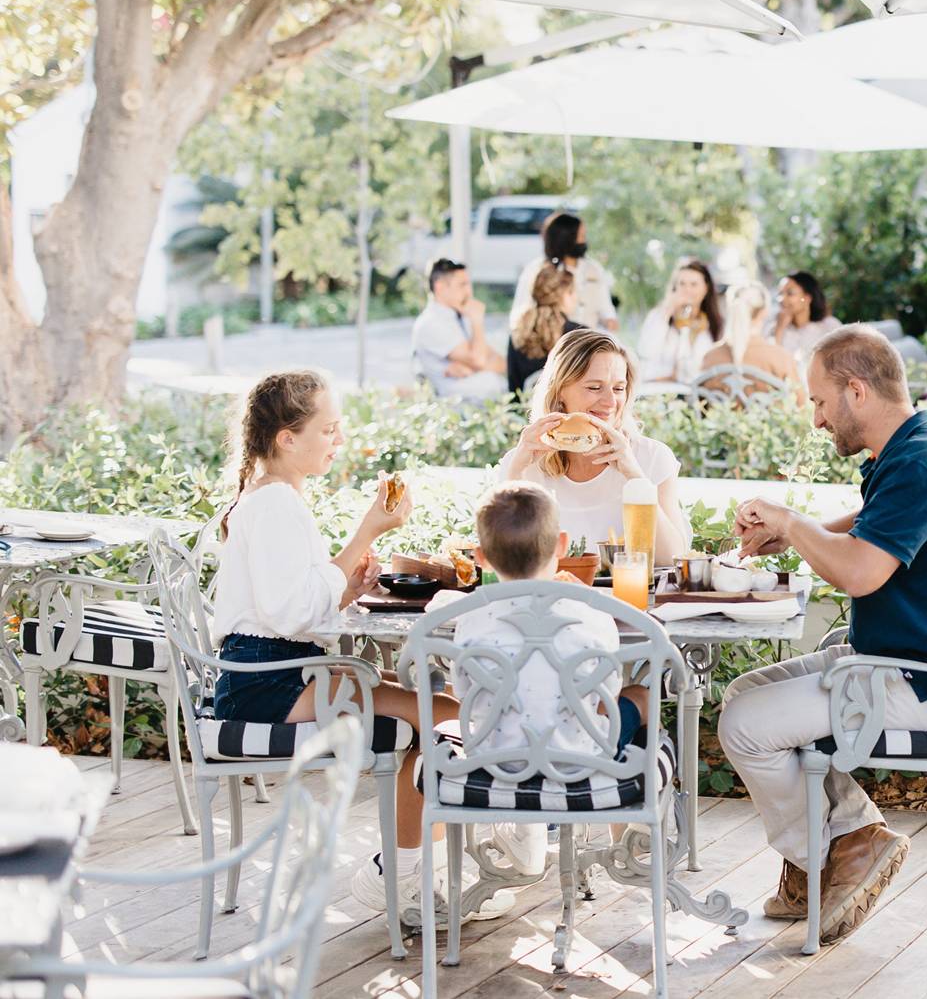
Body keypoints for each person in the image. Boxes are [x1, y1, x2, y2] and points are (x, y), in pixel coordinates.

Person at [720, 326, 927, 945]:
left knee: (744, 726)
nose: (818, 420)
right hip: (903, 661)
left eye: (820, 402)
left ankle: (834, 852)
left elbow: (860, 572)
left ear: (856, 391)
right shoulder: (913, 449)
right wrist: (791, 534)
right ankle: (843, 841)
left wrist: (793, 522)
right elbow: (870, 525)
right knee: (743, 696)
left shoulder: (920, 463)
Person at [208, 369, 484, 919]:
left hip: (279, 670)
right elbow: (288, 614)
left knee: (449, 703)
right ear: (288, 438)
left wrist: (347, 586)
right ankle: (405, 875)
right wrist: (366, 533)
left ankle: (421, 867)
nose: (340, 439)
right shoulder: (275, 504)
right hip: (268, 684)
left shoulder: (273, 497)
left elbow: (291, 603)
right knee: (446, 715)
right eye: (329, 429)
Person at [423, 481, 650, 877]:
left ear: (480, 558)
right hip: (581, 760)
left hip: (497, 761)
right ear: (562, 545)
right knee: (642, 698)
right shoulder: (591, 613)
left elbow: (467, 695)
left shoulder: (472, 618)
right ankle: (635, 833)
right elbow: (606, 694)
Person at [495, 329, 693, 563]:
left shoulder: (651, 457)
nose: (610, 402)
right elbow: (504, 560)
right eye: (594, 388)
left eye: (618, 388)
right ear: (559, 391)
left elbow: (672, 559)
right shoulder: (523, 461)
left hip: (625, 588)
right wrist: (515, 474)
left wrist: (635, 476)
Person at [509, 211, 619, 333]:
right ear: (565, 238)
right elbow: (520, 313)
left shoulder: (593, 269)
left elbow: (607, 310)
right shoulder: (538, 270)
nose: (584, 241)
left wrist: (609, 321)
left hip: (588, 339)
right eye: (581, 236)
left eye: (584, 236)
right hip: (551, 340)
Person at [413, 258, 507, 401]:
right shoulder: (430, 323)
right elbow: (479, 360)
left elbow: (501, 363)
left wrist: (471, 370)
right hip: (455, 406)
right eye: (462, 285)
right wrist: (477, 321)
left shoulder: (460, 315)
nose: (469, 291)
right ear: (440, 287)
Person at [698, 281, 804, 404]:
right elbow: (801, 405)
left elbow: (700, 404)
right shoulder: (781, 358)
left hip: (721, 417)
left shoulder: (710, 357)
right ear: (764, 312)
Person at [507, 260, 587, 397]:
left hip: (527, 408)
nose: (577, 298)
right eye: (573, 292)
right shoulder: (580, 334)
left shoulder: (518, 333)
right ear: (564, 294)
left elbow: (513, 391)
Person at [636, 260, 723, 385]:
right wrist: (667, 311)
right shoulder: (659, 316)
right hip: (661, 389)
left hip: (700, 391)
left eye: (694, 284)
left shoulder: (714, 323)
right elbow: (645, 351)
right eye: (682, 284)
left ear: (706, 288)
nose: (687, 290)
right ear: (674, 287)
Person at [772, 271, 842, 368]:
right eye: (780, 293)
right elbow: (771, 363)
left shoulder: (829, 326)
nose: (782, 299)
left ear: (807, 298)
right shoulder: (774, 329)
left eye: (790, 293)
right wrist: (779, 329)